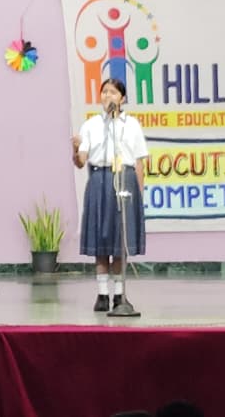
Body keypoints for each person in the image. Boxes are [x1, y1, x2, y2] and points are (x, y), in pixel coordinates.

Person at [71, 78, 149, 312]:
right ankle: (102, 294)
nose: (108, 96)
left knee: (120, 240)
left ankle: (119, 296)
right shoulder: (91, 125)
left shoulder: (132, 125)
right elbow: (81, 161)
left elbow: (139, 162)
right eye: (104, 92)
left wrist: (139, 194)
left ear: (122, 98)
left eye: (113, 92)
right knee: (101, 238)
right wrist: (75, 148)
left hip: (125, 179)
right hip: (100, 179)